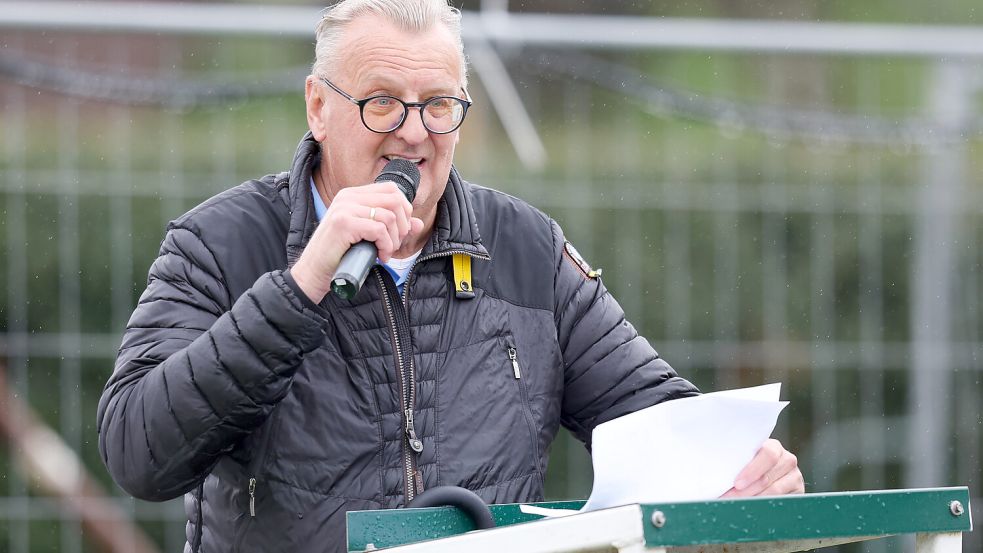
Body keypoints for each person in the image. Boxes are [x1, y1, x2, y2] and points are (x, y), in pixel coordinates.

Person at [97, 1, 803, 551]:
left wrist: (741, 472)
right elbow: (138, 451)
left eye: (438, 105)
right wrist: (301, 282)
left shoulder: (525, 249)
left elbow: (658, 421)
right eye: (381, 102)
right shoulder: (220, 241)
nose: (412, 132)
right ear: (318, 106)